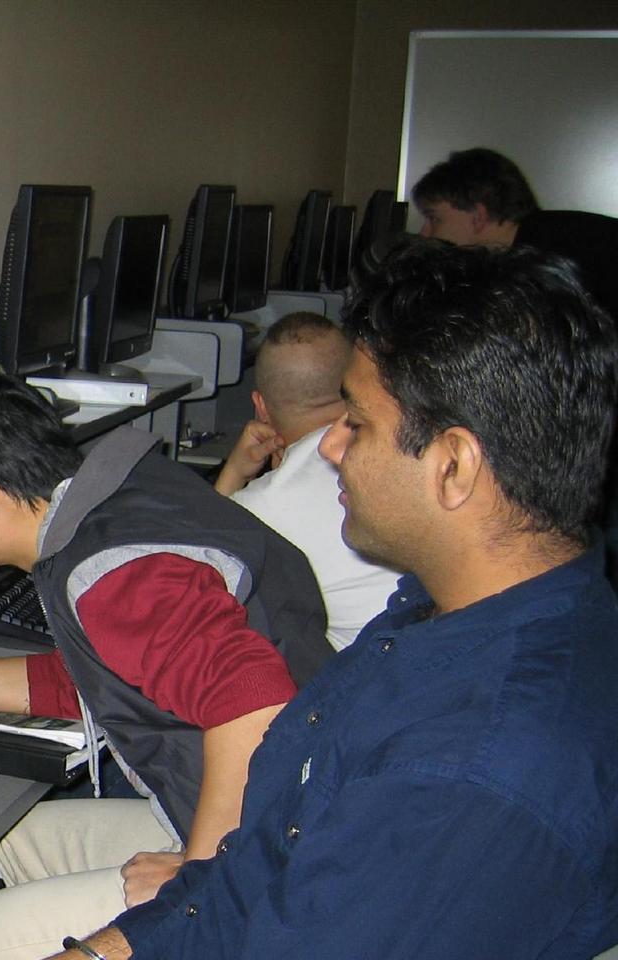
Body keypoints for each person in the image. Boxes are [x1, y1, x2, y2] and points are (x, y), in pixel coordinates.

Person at [46, 241, 618, 960]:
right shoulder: (446, 609)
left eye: (358, 423)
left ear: (454, 466)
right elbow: (260, 856)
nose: (330, 448)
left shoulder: (468, 773)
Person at [0, 371, 330, 960]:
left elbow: (252, 699)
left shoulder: (112, 571)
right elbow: (82, 681)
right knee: (3, 839)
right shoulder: (114, 506)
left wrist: (199, 882)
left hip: (280, 860)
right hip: (274, 809)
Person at [213, 312, 399, 651]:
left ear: (260, 407)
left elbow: (198, 575)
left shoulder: (259, 509)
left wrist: (233, 476)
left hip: (379, 672)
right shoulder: (404, 452)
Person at [411, 146, 618, 319]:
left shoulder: (549, 264)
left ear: (478, 216)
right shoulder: (547, 239)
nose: (424, 233)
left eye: (434, 218)